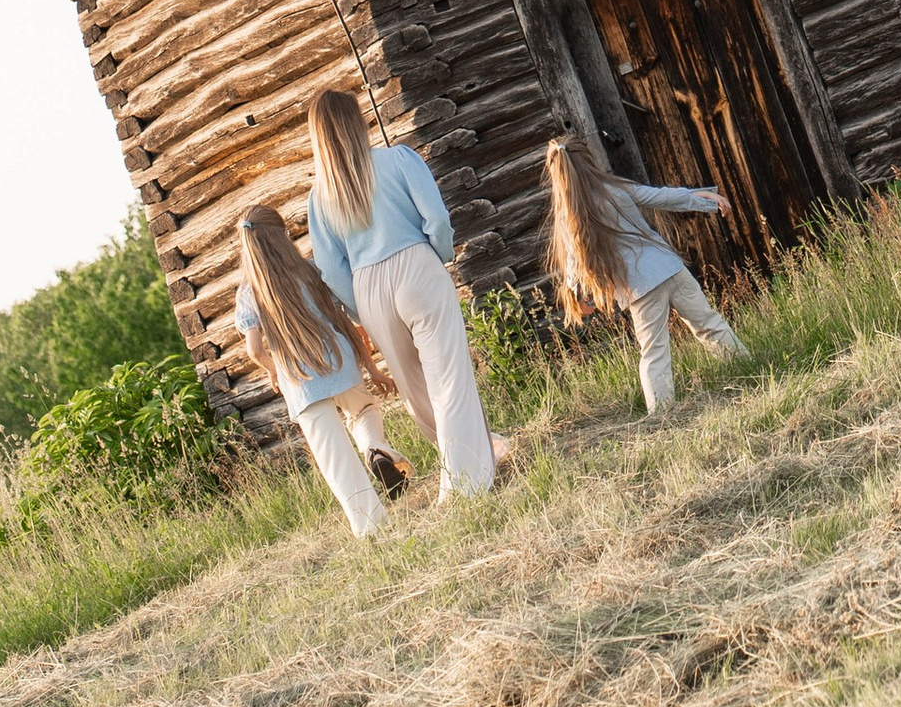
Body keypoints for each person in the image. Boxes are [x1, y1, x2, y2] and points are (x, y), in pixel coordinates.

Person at [306, 87, 507, 498]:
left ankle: (476, 454)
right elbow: (436, 218)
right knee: (448, 375)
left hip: (367, 287)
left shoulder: (320, 198)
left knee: (416, 389)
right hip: (416, 266)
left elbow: (330, 270)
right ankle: (465, 483)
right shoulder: (398, 159)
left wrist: (361, 309)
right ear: (355, 123)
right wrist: (440, 256)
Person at [541, 134, 751, 413]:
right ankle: (750, 373)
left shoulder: (570, 215)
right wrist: (706, 199)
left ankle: (662, 415)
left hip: (639, 288)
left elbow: (573, 264)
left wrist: (579, 296)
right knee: (709, 324)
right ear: (588, 160)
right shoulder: (616, 189)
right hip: (670, 268)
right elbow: (663, 196)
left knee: (654, 352)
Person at [233, 204, 407, 541]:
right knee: (365, 410)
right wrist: (372, 367)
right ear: (282, 237)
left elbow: (254, 350)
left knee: (335, 458)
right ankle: (375, 449)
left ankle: (371, 527)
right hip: (340, 360)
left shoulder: (249, 293)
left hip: (301, 380)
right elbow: (346, 321)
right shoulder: (312, 271)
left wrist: (274, 370)